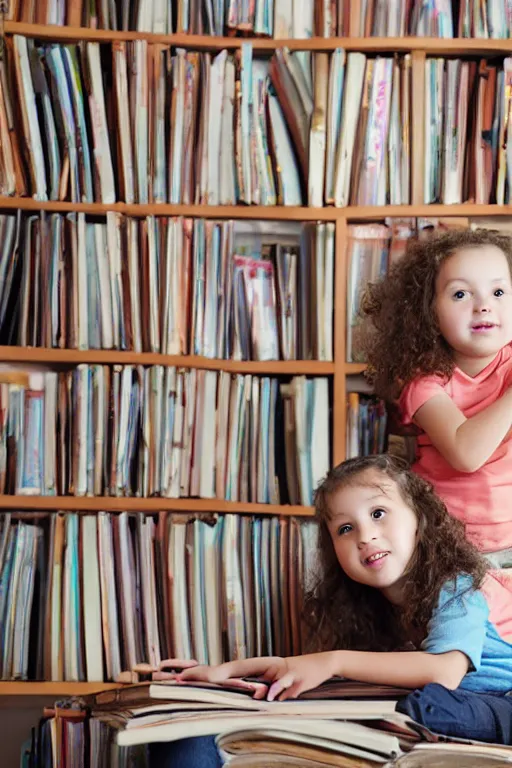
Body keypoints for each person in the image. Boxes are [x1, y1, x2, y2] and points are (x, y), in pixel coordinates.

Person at [150, 455, 512, 766]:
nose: (365, 536)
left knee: (429, 704)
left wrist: (334, 661)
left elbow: (444, 671)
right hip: (426, 708)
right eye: (346, 528)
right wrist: (222, 673)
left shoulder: (455, 585)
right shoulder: (368, 611)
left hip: (497, 704)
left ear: (420, 519)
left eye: (378, 513)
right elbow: (300, 669)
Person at [361, 228, 512, 637]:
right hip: (453, 552)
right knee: (464, 651)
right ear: (429, 312)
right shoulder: (426, 382)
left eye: (499, 293)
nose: (483, 306)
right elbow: (466, 452)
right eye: (461, 294)